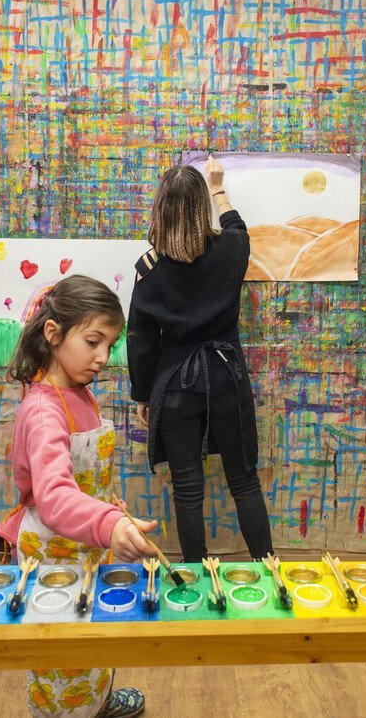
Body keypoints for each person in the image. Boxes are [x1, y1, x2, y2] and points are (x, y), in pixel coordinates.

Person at [0, 274, 156, 718]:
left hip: (87, 545)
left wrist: (110, 507)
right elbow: (54, 497)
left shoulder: (80, 393)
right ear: (53, 333)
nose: (103, 357)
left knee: (94, 638)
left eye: (110, 344)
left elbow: (86, 477)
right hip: (53, 553)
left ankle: (98, 703)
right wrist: (108, 523)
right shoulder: (44, 410)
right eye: (92, 341)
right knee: (62, 658)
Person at [127, 157, 274, 563]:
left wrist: (142, 395)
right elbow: (237, 226)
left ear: (160, 209)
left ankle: (195, 573)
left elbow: (141, 340)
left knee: (188, 488)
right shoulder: (231, 249)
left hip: (175, 386)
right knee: (244, 481)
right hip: (227, 377)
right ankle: (269, 569)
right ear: (200, 207)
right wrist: (217, 186)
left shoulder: (149, 270)